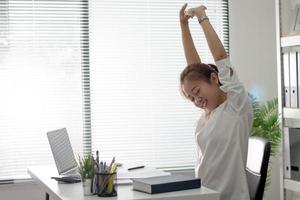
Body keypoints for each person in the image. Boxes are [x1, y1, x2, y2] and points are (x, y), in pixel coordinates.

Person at [179, 4, 253, 200]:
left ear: (214, 78)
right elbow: (194, 69)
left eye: (196, 92)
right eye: (191, 98)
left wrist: (202, 18)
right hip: (204, 195)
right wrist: (183, 26)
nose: (196, 101)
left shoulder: (235, 106)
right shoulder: (208, 116)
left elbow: (220, 57)